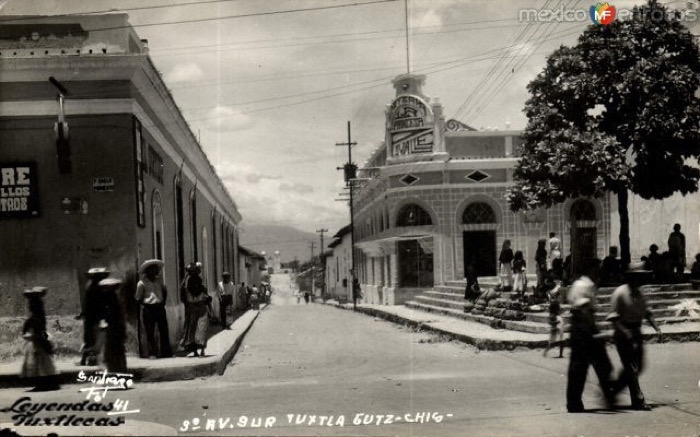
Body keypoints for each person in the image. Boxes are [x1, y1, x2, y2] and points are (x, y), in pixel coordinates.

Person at [606, 274, 661, 411]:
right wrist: (625, 331)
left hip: (636, 332)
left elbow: (647, 313)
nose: (640, 281)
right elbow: (613, 316)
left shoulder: (640, 294)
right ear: (631, 278)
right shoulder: (620, 292)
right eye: (638, 278)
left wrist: (656, 327)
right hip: (623, 333)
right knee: (631, 368)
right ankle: (638, 400)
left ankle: (612, 390)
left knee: (639, 366)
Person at [565, 276, 616, 412]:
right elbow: (583, 309)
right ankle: (576, 402)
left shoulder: (583, 284)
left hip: (583, 326)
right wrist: (592, 331)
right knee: (582, 367)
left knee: (588, 366)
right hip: (583, 326)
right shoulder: (584, 286)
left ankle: (576, 402)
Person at [20, 287, 60, 391]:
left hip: (37, 342)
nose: (29, 306)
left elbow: (37, 330)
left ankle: (43, 384)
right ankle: (46, 383)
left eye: (31, 305)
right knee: (43, 363)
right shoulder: (38, 317)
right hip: (38, 341)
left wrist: (33, 336)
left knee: (39, 363)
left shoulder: (35, 318)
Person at [135, 259, 172, 359]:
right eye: (153, 269)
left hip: (159, 307)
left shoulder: (159, 280)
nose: (156, 271)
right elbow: (138, 298)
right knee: (150, 331)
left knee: (163, 330)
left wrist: (163, 302)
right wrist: (143, 307)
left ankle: (166, 352)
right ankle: (152, 353)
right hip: (148, 308)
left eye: (156, 269)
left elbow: (164, 291)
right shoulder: (141, 283)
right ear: (148, 271)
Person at [80, 267, 109, 366]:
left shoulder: (89, 286)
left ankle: (85, 358)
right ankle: (92, 359)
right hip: (95, 316)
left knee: (89, 338)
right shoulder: (97, 287)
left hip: (90, 317)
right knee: (95, 338)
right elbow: (98, 303)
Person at [182, 262, 211, 357]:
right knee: (194, 330)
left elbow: (206, 299)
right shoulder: (188, 286)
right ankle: (196, 351)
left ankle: (201, 350)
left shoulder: (199, 286)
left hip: (199, 309)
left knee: (200, 329)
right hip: (193, 309)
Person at [99, 278, 127, 373]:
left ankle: (114, 371)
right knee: (117, 352)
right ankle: (119, 371)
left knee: (112, 352)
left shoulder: (108, 299)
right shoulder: (114, 298)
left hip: (113, 329)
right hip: (115, 328)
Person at [543, 283, 564, 358]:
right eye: (559, 296)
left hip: (557, 320)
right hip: (556, 320)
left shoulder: (556, 304)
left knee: (558, 339)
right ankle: (547, 351)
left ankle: (559, 354)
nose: (560, 297)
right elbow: (552, 315)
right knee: (556, 339)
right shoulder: (554, 304)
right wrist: (554, 322)